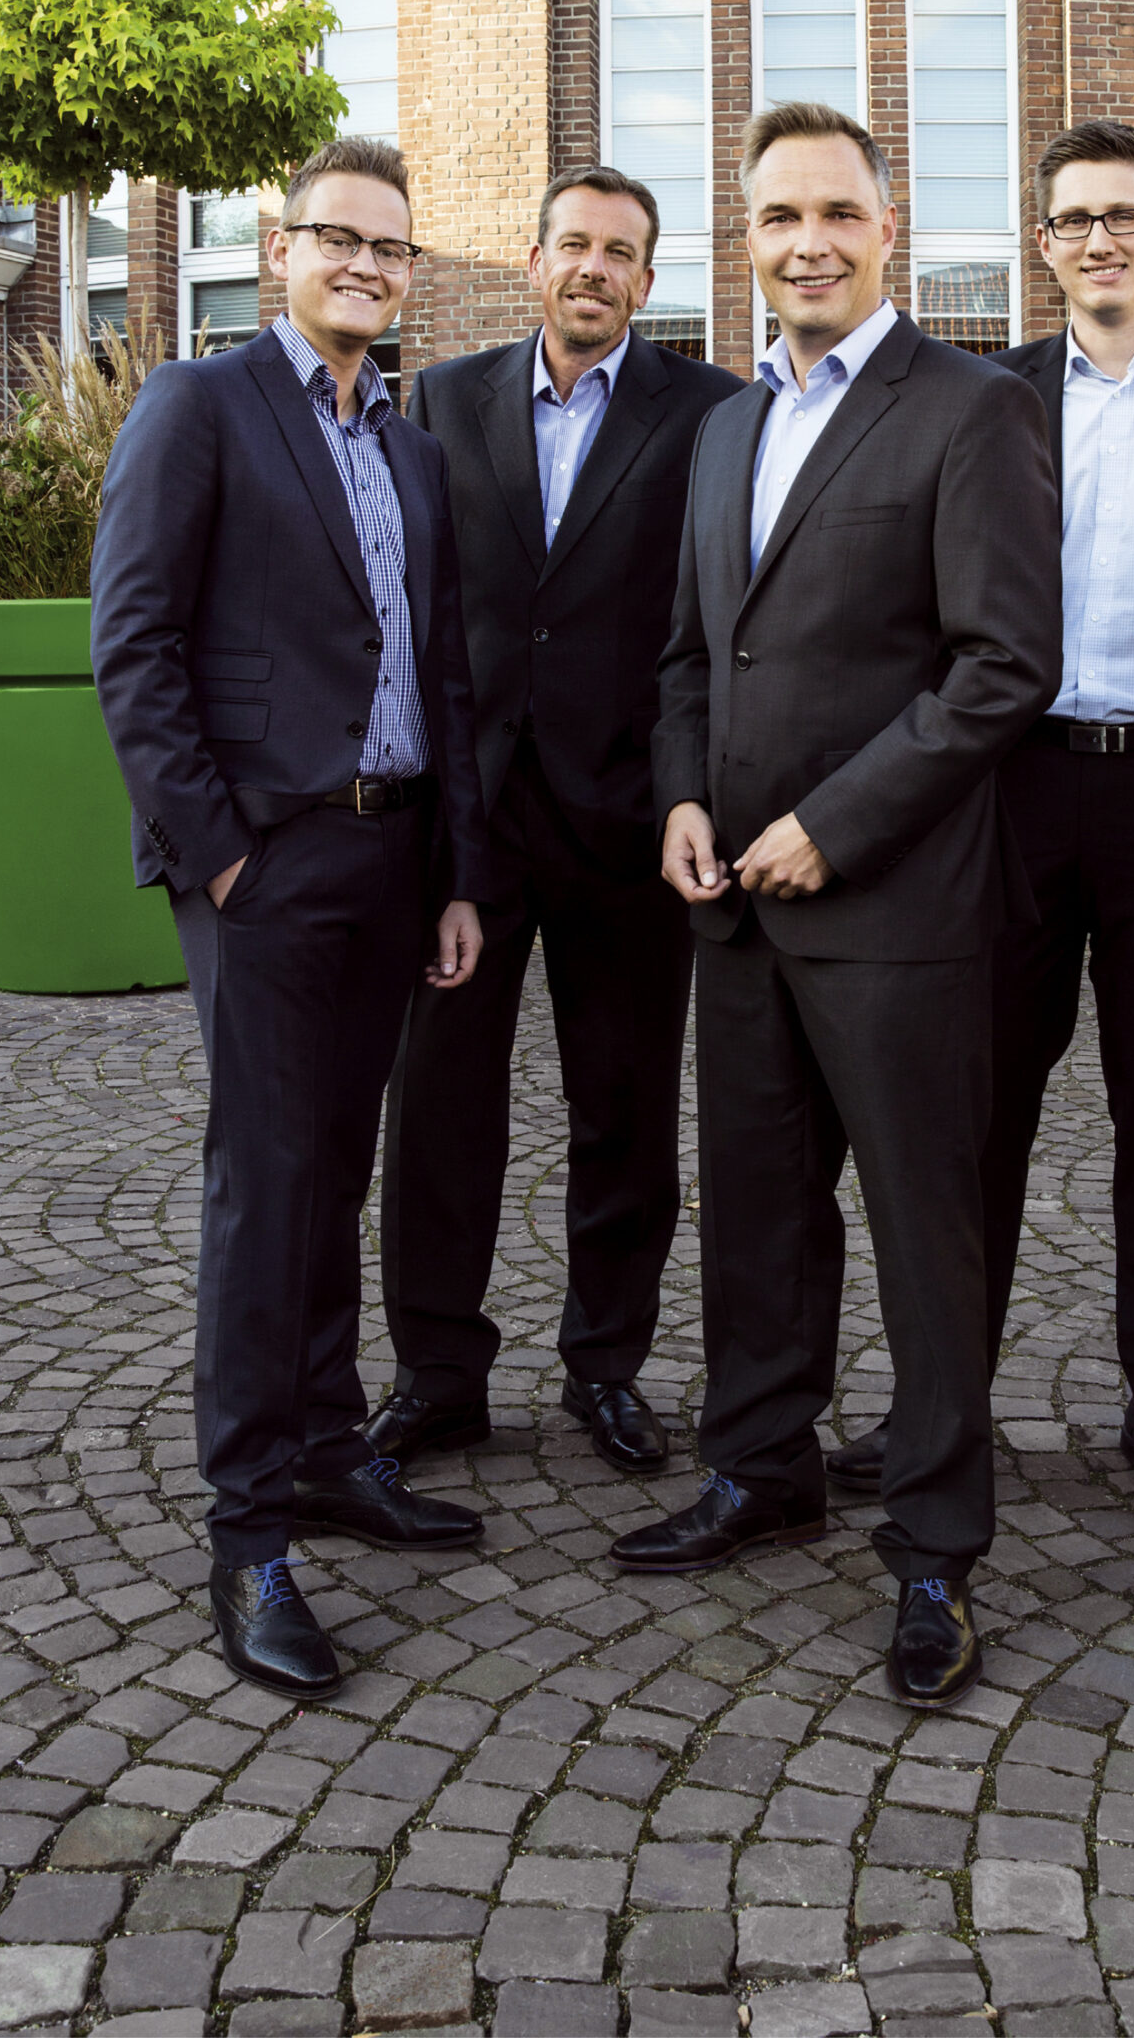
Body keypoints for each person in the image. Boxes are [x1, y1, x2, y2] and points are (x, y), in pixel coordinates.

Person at [613, 102, 1062, 1709]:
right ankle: (760, 1468)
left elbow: (1003, 666)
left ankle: (935, 1545)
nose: (805, 243)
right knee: (755, 1207)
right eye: (776, 217)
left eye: (833, 214)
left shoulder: (971, 408)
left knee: (924, 1234)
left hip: (900, 910)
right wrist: (681, 797)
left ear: (888, 226)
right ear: (744, 240)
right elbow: (690, 653)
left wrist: (835, 824)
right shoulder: (727, 425)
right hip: (733, 903)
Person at [823, 121, 1134, 1517]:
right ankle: (943, 1407)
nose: (1099, 239)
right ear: (1040, 246)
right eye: (1073, 220)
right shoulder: (991, 393)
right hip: (1015, 796)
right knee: (977, 1115)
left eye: (1123, 215)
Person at [91, 137, 491, 1700]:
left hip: (392, 857)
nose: (367, 267)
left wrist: (454, 873)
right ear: (283, 248)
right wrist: (218, 858)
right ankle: (249, 1531)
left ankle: (329, 1449)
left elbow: (441, 675)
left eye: (392, 248)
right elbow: (134, 644)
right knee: (264, 1188)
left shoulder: (410, 448)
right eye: (342, 238)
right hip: (264, 864)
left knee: (332, 1173)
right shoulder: (198, 406)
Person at [368, 166, 737, 1475]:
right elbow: (413, 607)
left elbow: (712, 620)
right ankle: (436, 1375)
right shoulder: (441, 398)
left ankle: (607, 1366)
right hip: (467, 827)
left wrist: (691, 789)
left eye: (619, 252)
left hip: (630, 822)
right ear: (534, 263)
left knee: (624, 1112)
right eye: (573, 245)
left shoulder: (710, 414)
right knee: (438, 1109)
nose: (593, 268)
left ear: (648, 279)